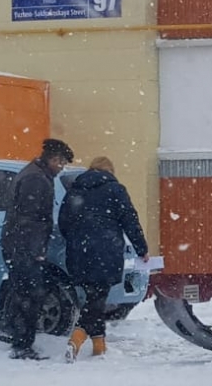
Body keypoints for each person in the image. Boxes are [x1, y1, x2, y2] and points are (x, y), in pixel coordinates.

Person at [58, 155, 149, 362]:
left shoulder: (75, 189)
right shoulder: (115, 190)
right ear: (110, 172)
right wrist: (141, 248)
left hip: (78, 251)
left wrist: (75, 240)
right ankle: (76, 339)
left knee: (94, 296)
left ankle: (99, 347)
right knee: (97, 298)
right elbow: (130, 220)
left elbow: (63, 220)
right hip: (106, 250)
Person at [0, 138, 75, 360]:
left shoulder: (36, 174)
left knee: (22, 292)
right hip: (23, 248)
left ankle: (15, 336)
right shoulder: (36, 179)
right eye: (60, 162)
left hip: (19, 246)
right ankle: (22, 345)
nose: (61, 167)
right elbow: (30, 219)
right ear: (52, 159)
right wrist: (36, 250)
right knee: (29, 295)